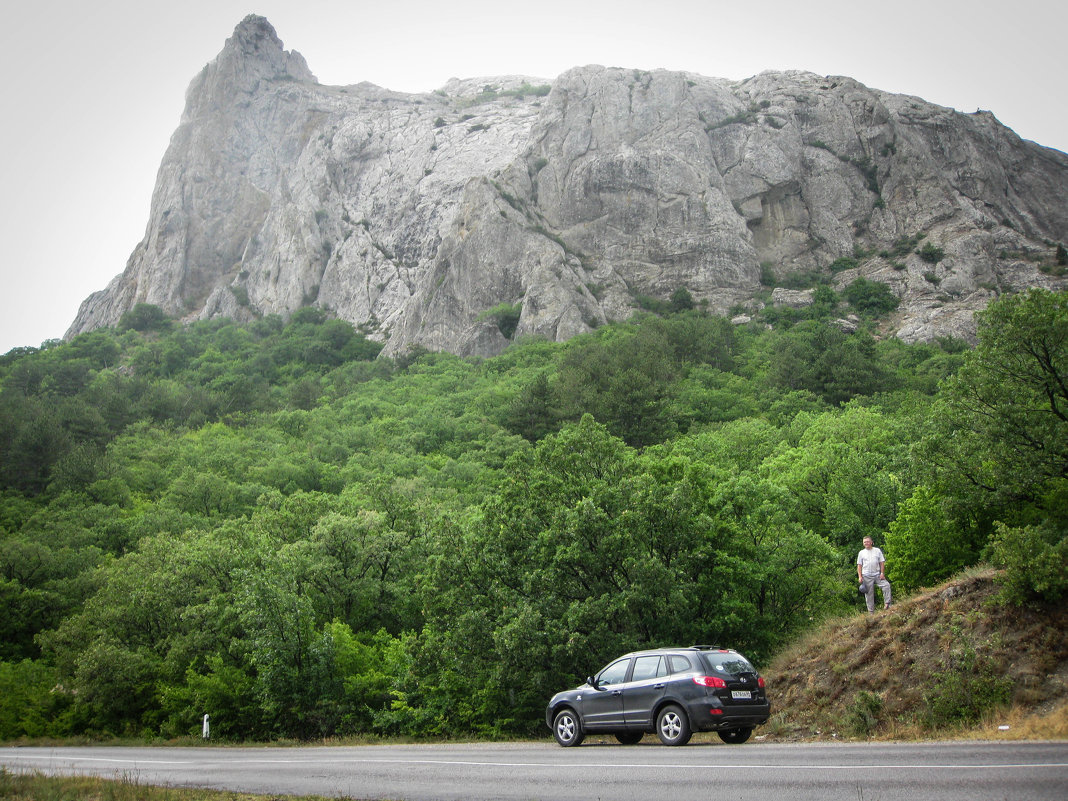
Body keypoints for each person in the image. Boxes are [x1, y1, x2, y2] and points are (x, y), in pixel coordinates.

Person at [856, 536, 891, 612]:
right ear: (863, 543)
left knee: (886, 585)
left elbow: (881, 562)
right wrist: (860, 576)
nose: (866, 543)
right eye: (865, 542)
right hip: (866, 575)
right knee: (869, 594)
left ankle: (887, 603)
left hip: (877, 574)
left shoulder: (877, 551)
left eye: (868, 541)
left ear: (871, 542)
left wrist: (882, 573)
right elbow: (859, 565)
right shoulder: (861, 553)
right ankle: (871, 612)